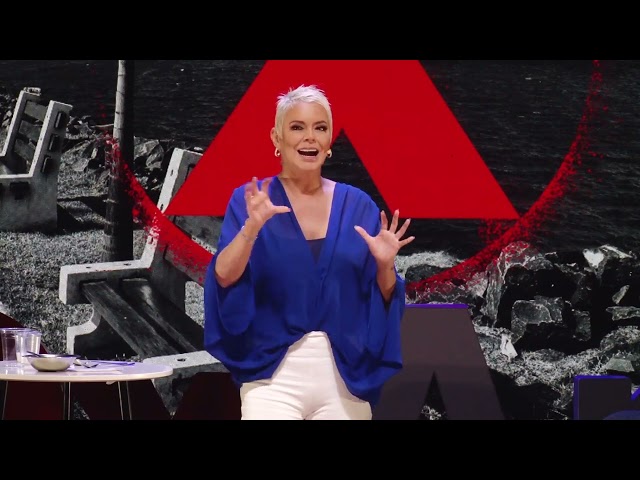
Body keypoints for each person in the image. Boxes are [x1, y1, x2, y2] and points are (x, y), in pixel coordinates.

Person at [203, 84, 415, 420]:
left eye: (320, 128)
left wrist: (385, 265)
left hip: (345, 376)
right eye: (297, 127)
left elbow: (384, 297)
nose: (310, 138)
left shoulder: (359, 205)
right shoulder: (252, 200)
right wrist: (251, 229)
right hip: (271, 376)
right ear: (277, 138)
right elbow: (224, 277)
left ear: (330, 141)